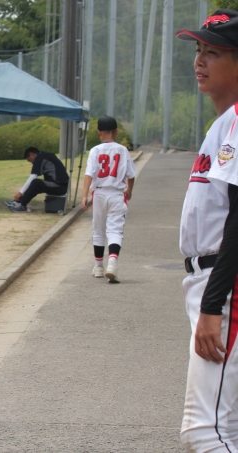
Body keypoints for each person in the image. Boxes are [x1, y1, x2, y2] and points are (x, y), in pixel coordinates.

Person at [176, 10, 238, 452]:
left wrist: (213, 306)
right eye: (199, 50)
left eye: (213, 52)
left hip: (226, 285)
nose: (199, 60)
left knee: (206, 431)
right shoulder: (224, 122)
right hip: (215, 280)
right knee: (225, 426)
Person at [81, 115, 136, 283]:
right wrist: (129, 190)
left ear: (98, 132)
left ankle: (98, 266)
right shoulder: (122, 150)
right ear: (116, 132)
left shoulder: (95, 151)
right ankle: (112, 263)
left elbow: (89, 174)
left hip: (99, 193)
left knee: (98, 230)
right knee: (115, 230)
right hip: (117, 194)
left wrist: (84, 195)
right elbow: (131, 175)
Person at [6, 147, 69, 212]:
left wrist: (20, 193)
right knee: (35, 186)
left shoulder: (40, 158)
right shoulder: (47, 156)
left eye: (30, 160)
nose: (32, 163)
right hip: (62, 186)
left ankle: (21, 205)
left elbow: (33, 176)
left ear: (32, 155)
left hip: (59, 186)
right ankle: (19, 202)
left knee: (36, 183)